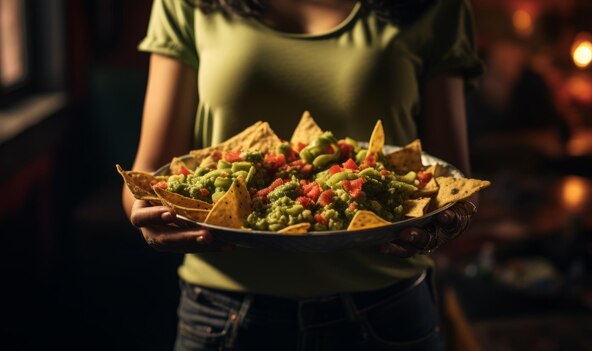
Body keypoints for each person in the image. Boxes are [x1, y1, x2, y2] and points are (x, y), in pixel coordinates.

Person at [122, 0, 483, 350]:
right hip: (221, 314)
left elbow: (453, 179)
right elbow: (148, 177)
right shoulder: (186, 3)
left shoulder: (436, 6)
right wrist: (150, 218)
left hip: (388, 312)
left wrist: (449, 220)